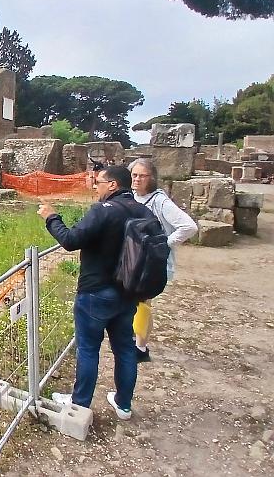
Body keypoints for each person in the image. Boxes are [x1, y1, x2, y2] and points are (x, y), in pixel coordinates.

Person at [37, 165, 156, 420]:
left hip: (95, 293)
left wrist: (51, 217)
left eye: (99, 182)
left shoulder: (103, 211)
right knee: (125, 348)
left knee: (88, 349)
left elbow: (70, 240)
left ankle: (80, 406)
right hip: (128, 293)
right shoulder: (144, 211)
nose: (95, 187)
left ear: (113, 185)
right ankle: (124, 405)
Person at [128, 158, 197, 362]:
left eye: (142, 176)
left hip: (153, 263)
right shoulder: (132, 197)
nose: (137, 179)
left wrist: (164, 243)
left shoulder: (159, 201)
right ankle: (138, 342)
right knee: (138, 303)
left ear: (152, 178)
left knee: (142, 303)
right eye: (134, 175)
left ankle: (140, 348)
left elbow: (189, 227)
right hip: (135, 260)